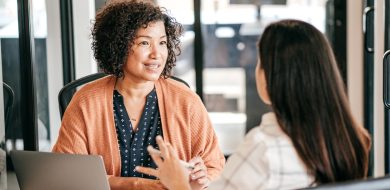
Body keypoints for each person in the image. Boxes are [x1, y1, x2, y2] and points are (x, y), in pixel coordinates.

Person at [136, 19, 371, 190]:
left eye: (260, 62)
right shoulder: (352, 140)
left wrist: (177, 182)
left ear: (273, 77)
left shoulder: (263, 147)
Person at [52, 1, 225, 190]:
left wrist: (202, 177)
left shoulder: (186, 100)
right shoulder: (86, 101)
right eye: (145, 42)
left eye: (162, 43)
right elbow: (68, 175)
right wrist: (135, 184)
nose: (156, 54)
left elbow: (214, 166)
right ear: (119, 45)